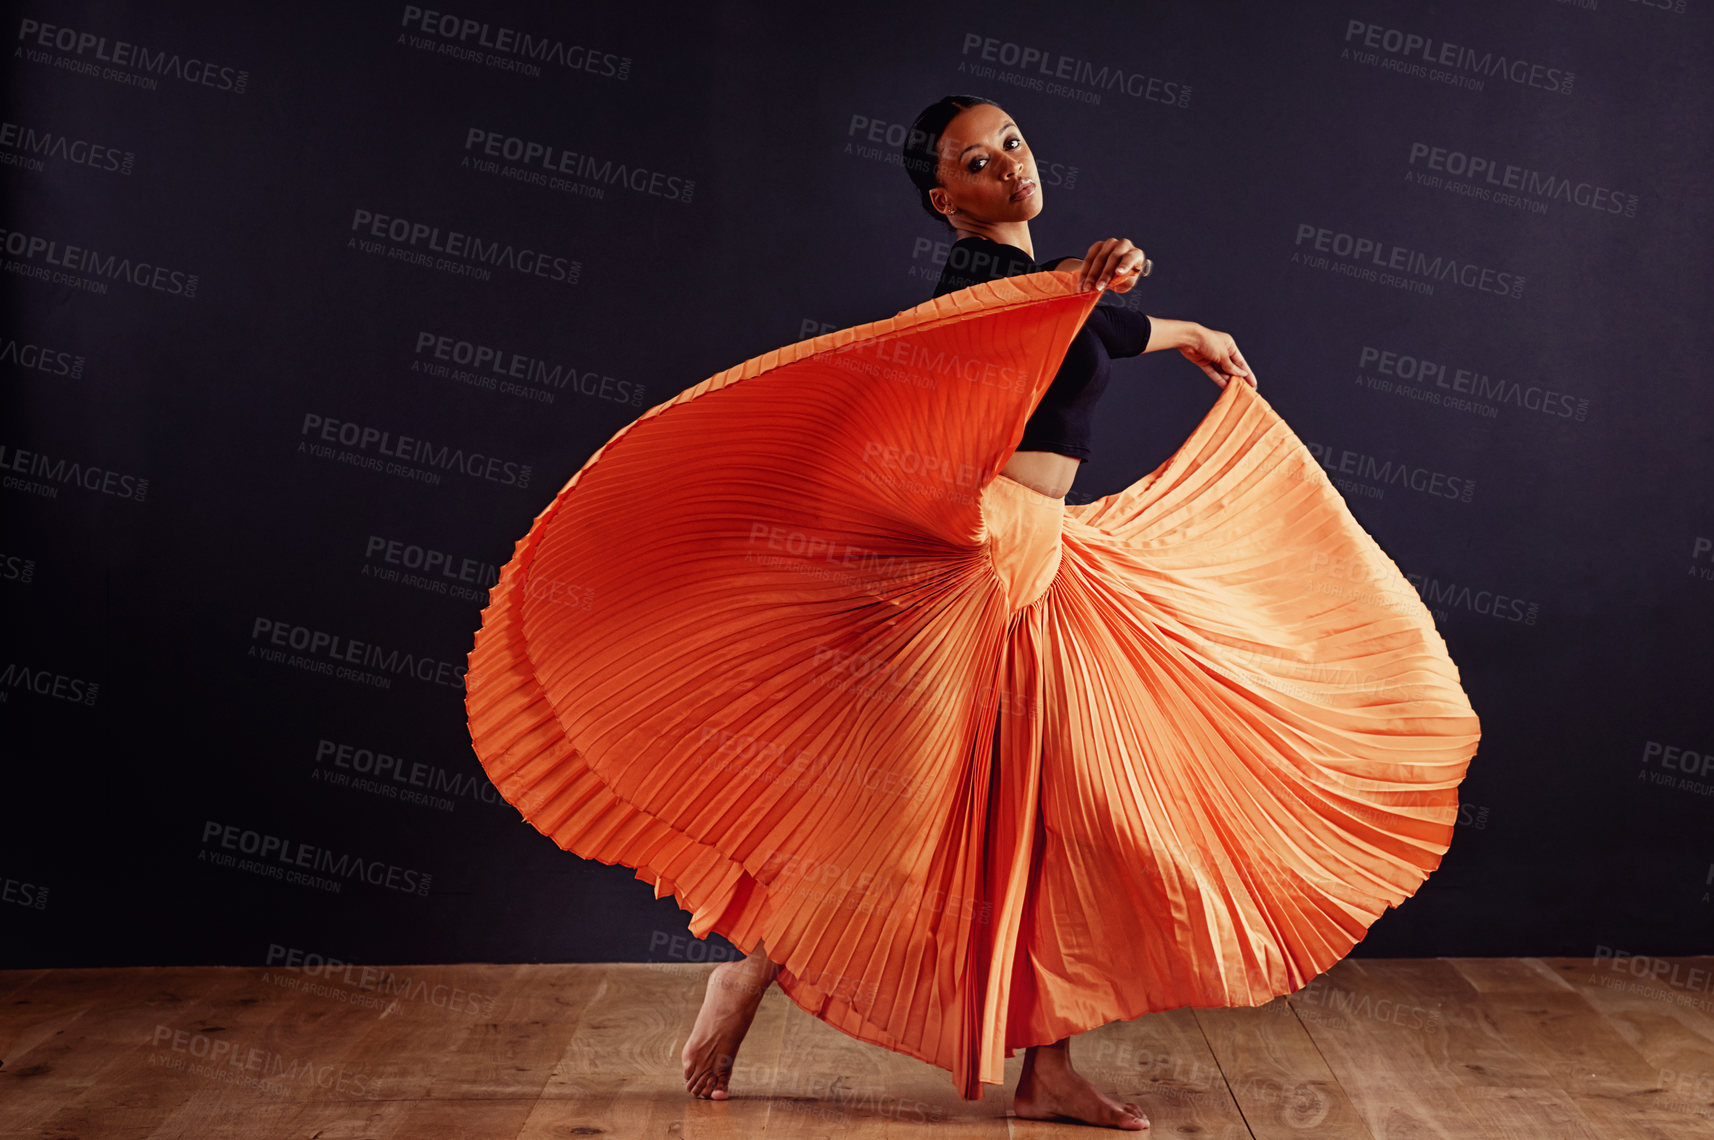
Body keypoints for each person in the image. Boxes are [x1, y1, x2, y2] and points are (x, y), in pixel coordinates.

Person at [464, 93, 1479, 1132]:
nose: (1007, 165)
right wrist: (1092, 269)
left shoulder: (1041, 294)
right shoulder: (982, 280)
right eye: (977, 163)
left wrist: (1190, 333)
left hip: (1048, 554)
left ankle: (1045, 1069)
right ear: (946, 200)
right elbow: (1052, 304)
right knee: (902, 825)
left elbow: (1102, 327)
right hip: (983, 568)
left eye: (1013, 143)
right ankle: (748, 978)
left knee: (1039, 820)